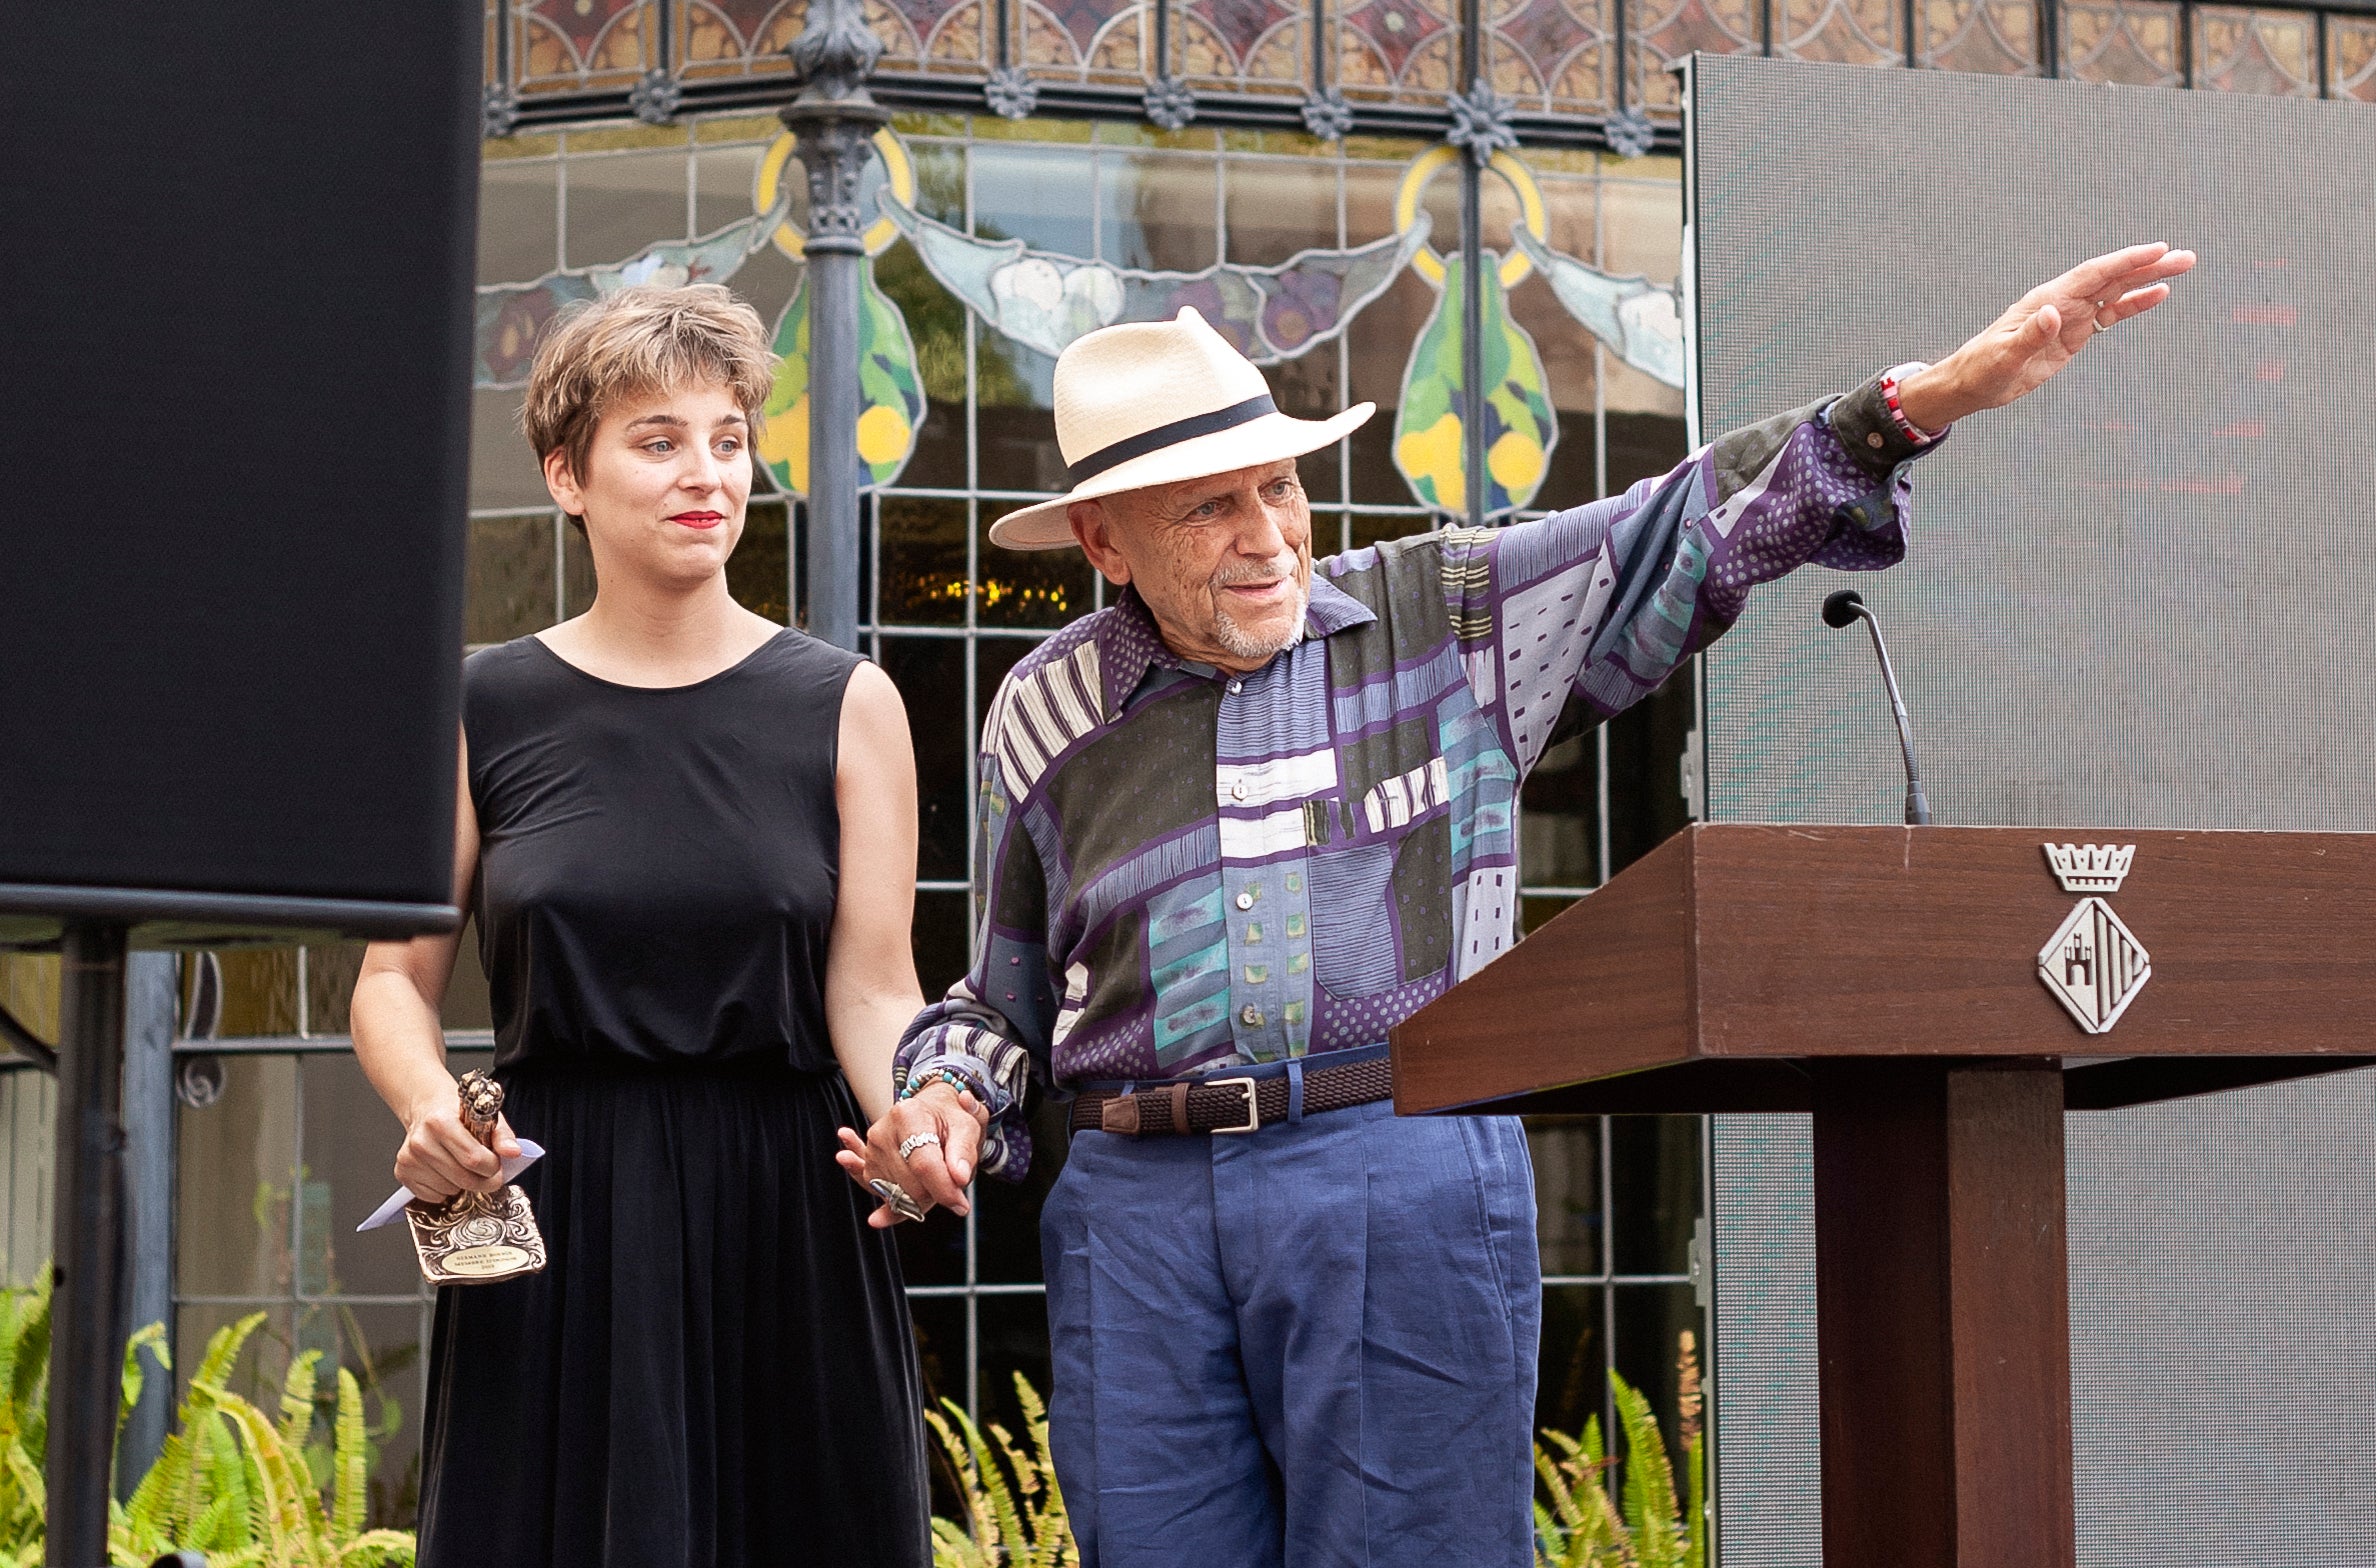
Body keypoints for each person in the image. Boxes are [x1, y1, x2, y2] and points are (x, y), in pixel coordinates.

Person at [841, 245, 2196, 1566]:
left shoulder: (1448, 616)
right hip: (1135, 1211)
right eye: (1211, 510)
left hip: (1393, 1161)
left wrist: (1926, 401)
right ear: (1102, 539)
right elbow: (1005, 1001)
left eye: (1279, 489)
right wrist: (946, 1100)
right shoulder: (1043, 711)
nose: (1268, 541)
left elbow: (1684, 520)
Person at [352, 284, 934, 1567]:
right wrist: (427, 1108)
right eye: (657, 439)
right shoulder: (477, 704)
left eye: (728, 438)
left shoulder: (848, 702)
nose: (705, 473)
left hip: (790, 1211)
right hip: (562, 1206)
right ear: (568, 474)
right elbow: (392, 976)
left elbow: (877, 989)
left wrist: (915, 1121)